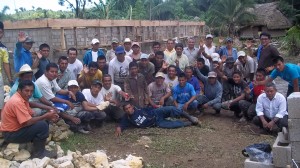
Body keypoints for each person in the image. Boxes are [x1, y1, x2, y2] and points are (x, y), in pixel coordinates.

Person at [0, 80, 59, 158]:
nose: (29, 94)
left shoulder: (20, 97)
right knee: (42, 125)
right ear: (19, 90)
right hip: (11, 134)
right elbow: (27, 122)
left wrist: (48, 109)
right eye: (26, 91)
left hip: (12, 130)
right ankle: (39, 153)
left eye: (31, 91)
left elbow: (31, 105)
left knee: (42, 120)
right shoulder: (17, 102)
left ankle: (35, 145)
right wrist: (46, 116)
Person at [115, 102, 199, 136]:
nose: (128, 110)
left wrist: (156, 107)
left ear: (132, 107)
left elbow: (149, 108)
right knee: (173, 125)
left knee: (171, 108)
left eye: (129, 107)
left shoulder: (138, 109)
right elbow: (121, 124)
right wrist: (119, 128)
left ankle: (190, 117)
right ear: (124, 110)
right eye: (126, 109)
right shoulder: (127, 118)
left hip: (156, 112)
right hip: (156, 123)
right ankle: (190, 123)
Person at [0, 21, 13, 115]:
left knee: (0, 102)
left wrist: (9, 78)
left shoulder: (3, 48)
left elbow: (6, 63)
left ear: (3, 33)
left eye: (0, 32)